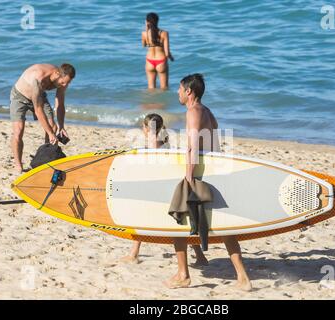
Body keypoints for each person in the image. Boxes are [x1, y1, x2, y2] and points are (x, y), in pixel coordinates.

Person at [164, 74, 252, 291]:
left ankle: (183, 274)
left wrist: (188, 175)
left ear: (189, 92)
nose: (177, 92)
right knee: (225, 228)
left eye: (179, 88)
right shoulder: (208, 112)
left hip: (200, 172)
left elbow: (193, 145)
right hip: (213, 170)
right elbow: (213, 145)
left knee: (177, 221)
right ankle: (242, 277)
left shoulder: (193, 112)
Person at [120, 113, 208, 266]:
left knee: (141, 218)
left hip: (155, 187)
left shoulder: (152, 143)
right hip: (169, 185)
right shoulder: (165, 142)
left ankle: (133, 254)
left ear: (146, 128)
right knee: (182, 223)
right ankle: (200, 256)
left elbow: (151, 168)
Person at [10, 63, 75, 173]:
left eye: (67, 83)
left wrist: (61, 126)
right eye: (63, 82)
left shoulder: (62, 81)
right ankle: (18, 165)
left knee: (53, 127)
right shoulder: (39, 78)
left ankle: (45, 159)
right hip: (19, 97)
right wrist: (49, 133)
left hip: (39, 96)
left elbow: (60, 103)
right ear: (57, 73)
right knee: (19, 130)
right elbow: (38, 109)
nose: (64, 85)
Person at [142, 12, 174, 89]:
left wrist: (146, 29)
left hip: (149, 61)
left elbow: (144, 45)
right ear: (157, 21)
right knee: (164, 88)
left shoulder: (144, 33)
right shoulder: (164, 33)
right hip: (161, 61)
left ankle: (151, 101)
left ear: (147, 22)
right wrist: (171, 58)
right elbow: (167, 53)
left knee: (151, 88)